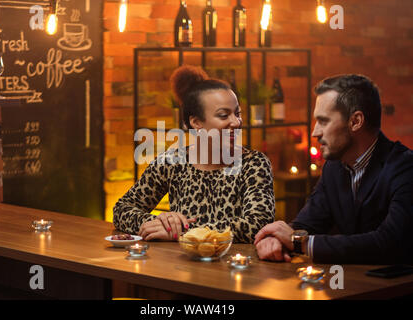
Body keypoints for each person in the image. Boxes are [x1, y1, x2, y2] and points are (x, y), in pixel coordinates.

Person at [254, 74, 413, 264]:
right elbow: (308, 224)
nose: (315, 132)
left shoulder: (405, 167)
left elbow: (389, 242)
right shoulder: (334, 167)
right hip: (350, 285)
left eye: (323, 121)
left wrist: (298, 242)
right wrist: (276, 239)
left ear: (356, 121)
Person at [114, 65, 275, 243]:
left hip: (235, 267)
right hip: (179, 267)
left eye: (237, 113)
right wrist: (160, 223)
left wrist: (183, 232)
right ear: (196, 122)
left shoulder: (254, 164)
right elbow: (122, 209)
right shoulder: (172, 162)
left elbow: (257, 224)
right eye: (224, 115)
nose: (236, 122)